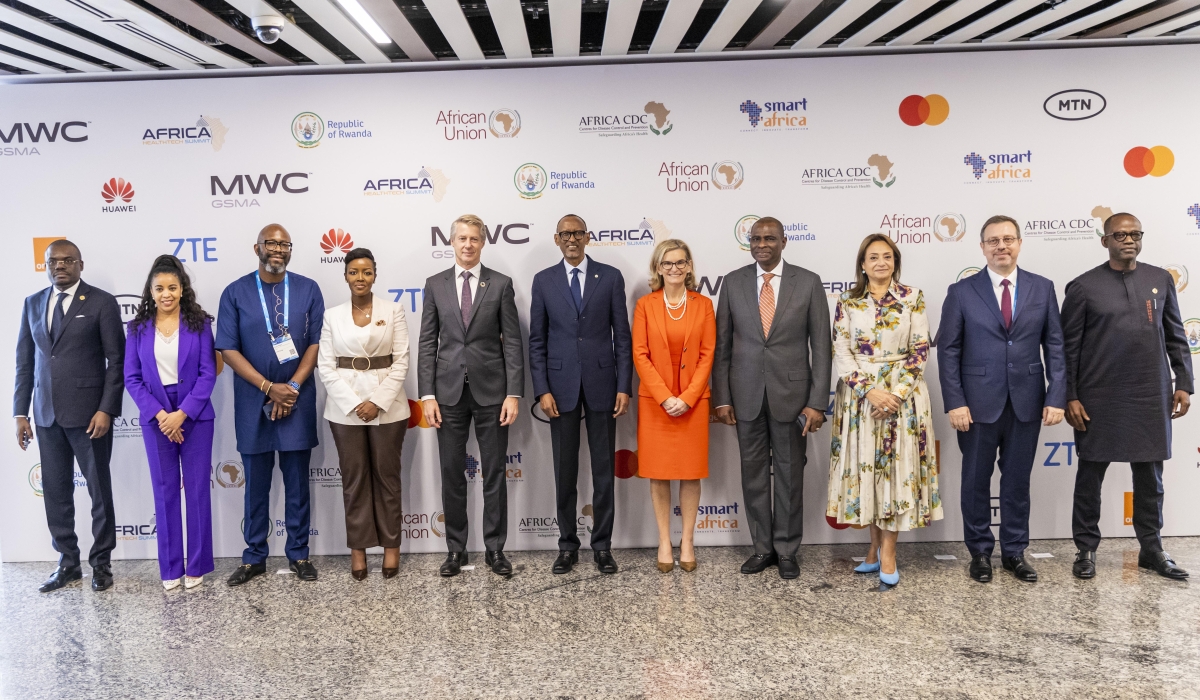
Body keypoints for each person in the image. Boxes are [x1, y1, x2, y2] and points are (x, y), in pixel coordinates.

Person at [1062, 212, 1193, 581]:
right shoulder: (1083, 287)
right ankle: (1085, 549)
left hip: (1151, 394)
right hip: (1097, 397)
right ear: (1105, 241)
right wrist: (1070, 394)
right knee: (1090, 476)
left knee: (1151, 479)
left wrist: (1183, 380)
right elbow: (1067, 349)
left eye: (1135, 234)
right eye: (1119, 235)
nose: (1128, 240)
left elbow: (1175, 336)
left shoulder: (1159, 279)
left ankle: (1152, 550)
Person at [937, 215, 1066, 584]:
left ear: (1020, 244)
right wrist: (955, 402)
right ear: (982, 247)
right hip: (976, 405)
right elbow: (948, 350)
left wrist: (1056, 395)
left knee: (1017, 482)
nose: (1001, 246)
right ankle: (979, 551)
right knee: (976, 481)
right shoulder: (962, 291)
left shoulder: (1042, 288)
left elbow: (1054, 346)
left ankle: (1014, 552)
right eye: (993, 241)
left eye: (1008, 239)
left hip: (1027, 401)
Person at [713, 217, 831, 580]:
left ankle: (786, 550)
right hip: (745, 396)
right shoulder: (732, 283)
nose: (762, 244)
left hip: (793, 397)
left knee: (790, 476)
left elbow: (822, 348)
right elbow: (723, 348)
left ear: (783, 241)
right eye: (756, 238)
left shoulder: (808, 282)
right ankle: (762, 548)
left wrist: (816, 402)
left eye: (770, 238)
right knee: (753, 476)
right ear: (749, 243)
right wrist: (721, 398)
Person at [826, 234, 941, 587]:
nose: (880, 262)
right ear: (862, 263)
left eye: (887, 257)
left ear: (895, 262)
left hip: (903, 401)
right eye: (873, 257)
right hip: (861, 399)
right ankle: (873, 550)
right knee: (866, 474)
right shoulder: (847, 301)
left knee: (894, 474)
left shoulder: (912, 298)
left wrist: (895, 394)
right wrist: (870, 391)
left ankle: (888, 553)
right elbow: (841, 351)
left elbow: (921, 349)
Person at [216, 224, 324, 586]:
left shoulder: (308, 288)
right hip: (252, 402)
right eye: (271, 243)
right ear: (257, 247)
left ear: (290, 250)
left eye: (284, 244)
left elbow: (315, 344)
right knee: (255, 485)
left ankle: (299, 554)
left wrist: (290, 387)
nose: (277, 249)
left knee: (297, 483)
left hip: (297, 398)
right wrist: (267, 387)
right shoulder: (235, 292)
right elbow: (227, 349)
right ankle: (253, 557)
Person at [14, 239, 124, 593]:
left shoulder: (102, 302)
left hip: (90, 416)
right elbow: (24, 363)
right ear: (45, 266)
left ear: (80, 264)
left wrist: (106, 408)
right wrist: (20, 412)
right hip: (46, 416)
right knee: (57, 493)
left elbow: (116, 362)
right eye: (52, 262)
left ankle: (101, 564)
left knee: (98, 493)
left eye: (66, 261)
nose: (59, 266)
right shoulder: (32, 304)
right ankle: (67, 563)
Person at [418, 214, 524, 577]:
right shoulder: (435, 284)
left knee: (494, 472)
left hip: (493, 392)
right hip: (447, 394)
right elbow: (427, 342)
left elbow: (512, 342)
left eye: (474, 239)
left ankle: (495, 549)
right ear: (451, 242)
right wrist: (427, 395)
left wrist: (514, 393)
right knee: (451, 472)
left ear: (483, 242)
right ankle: (455, 550)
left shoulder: (501, 284)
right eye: (461, 238)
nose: (467, 244)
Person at [528, 214, 632, 575]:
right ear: (556, 239)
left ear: (588, 237)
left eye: (577, 233)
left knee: (604, 470)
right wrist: (541, 388)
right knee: (564, 471)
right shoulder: (543, 281)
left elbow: (623, 335)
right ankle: (567, 546)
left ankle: (602, 546)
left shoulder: (611, 277)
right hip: (559, 389)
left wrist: (624, 386)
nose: (572, 239)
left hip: (604, 385)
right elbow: (537, 340)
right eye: (565, 234)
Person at [123, 255, 218, 591]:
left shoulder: (200, 324)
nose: (166, 293)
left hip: (195, 416)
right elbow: (131, 378)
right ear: (150, 291)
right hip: (156, 417)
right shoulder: (136, 329)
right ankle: (170, 567)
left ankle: (197, 564)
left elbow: (208, 373)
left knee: (196, 492)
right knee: (164, 494)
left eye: (172, 287)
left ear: (182, 290)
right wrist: (162, 415)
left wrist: (183, 413)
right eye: (160, 288)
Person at [317, 248, 411, 580]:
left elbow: (401, 361)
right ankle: (357, 551)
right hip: (344, 410)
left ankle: (391, 549)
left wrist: (377, 401)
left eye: (367, 272)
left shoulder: (394, 310)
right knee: (354, 481)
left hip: (389, 406)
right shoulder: (332, 316)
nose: (361, 278)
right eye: (354, 272)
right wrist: (354, 402)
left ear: (375, 275)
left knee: (388, 479)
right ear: (345, 275)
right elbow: (325, 367)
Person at [633, 239, 716, 573]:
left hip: (693, 404)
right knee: (659, 473)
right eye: (667, 263)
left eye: (681, 262)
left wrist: (688, 397)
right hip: (656, 404)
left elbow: (707, 354)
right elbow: (640, 353)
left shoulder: (704, 304)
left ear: (690, 266)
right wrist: (665, 396)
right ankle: (665, 540)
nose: (674, 269)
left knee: (690, 472)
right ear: (657, 268)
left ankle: (688, 541)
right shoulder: (645, 305)